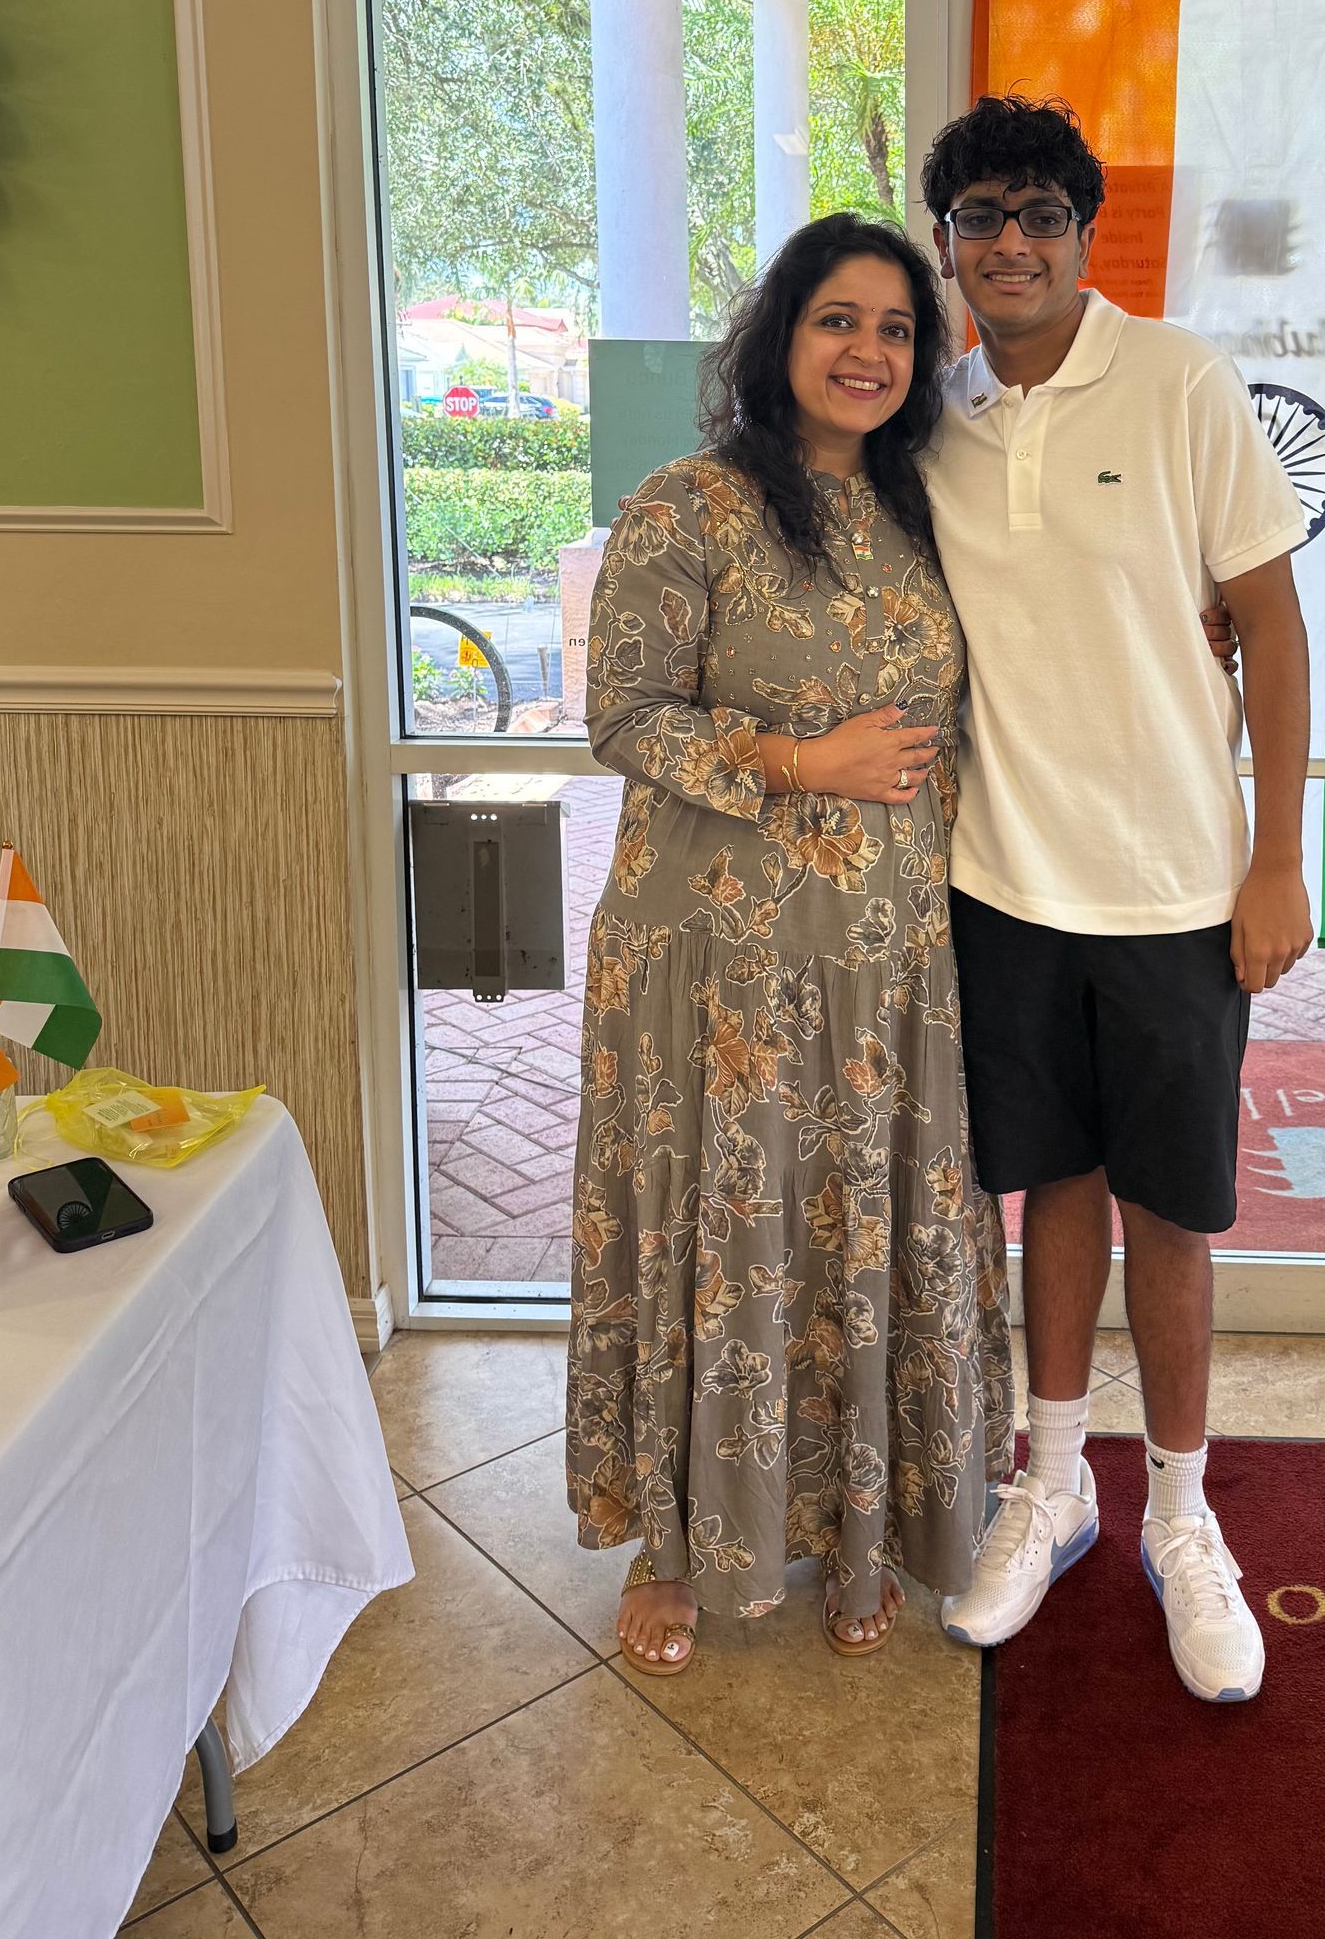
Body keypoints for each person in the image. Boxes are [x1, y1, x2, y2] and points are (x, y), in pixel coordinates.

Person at [568, 214, 1012, 1674]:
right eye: (839, 319)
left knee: (850, 1235)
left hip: (885, 961)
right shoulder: (686, 507)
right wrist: (794, 761)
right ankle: (675, 1548)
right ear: (781, 334)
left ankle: (858, 1527)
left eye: (896, 328)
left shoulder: (927, 514)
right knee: (720, 1235)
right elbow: (622, 715)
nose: (869, 351)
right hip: (717, 961)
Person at [926, 94, 1314, 1705]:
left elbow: (1273, 633)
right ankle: (1055, 1483)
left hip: (1172, 891)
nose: (1010, 243)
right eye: (980, 218)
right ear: (948, 244)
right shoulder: (931, 417)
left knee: (1175, 1209)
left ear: (1086, 234)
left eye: (1040, 214)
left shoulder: (1178, 383)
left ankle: (1181, 1512)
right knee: (1049, 1194)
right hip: (998, 884)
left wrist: (1277, 856)